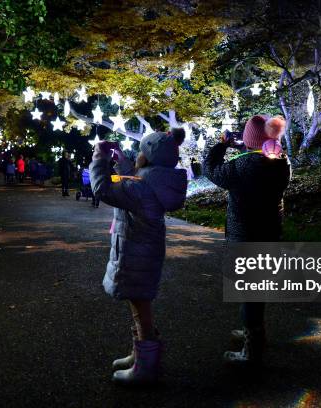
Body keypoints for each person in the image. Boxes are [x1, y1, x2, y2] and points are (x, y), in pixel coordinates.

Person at [90, 130, 187, 385]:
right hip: (145, 251)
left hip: (135, 252)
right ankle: (140, 355)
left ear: (149, 156)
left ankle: (146, 366)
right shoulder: (155, 181)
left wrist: (99, 159)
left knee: (140, 309)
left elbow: (103, 189)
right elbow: (134, 178)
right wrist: (122, 161)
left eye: (142, 150)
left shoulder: (141, 187)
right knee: (138, 305)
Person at [203, 115, 291, 366]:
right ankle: (255, 333)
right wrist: (246, 147)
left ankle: (251, 351)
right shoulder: (281, 163)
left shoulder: (241, 167)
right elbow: (260, 155)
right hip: (269, 233)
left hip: (246, 236)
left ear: (249, 140)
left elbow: (210, 170)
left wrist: (222, 144)